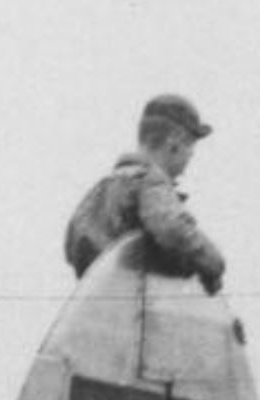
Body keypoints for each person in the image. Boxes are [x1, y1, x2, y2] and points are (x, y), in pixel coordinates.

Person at [62, 94, 228, 290]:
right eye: (190, 145)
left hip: (104, 307)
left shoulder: (100, 190)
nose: (191, 154)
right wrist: (213, 264)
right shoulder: (149, 181)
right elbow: (171, 228)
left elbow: (74, 247)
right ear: (175, 141)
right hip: (139, 310)